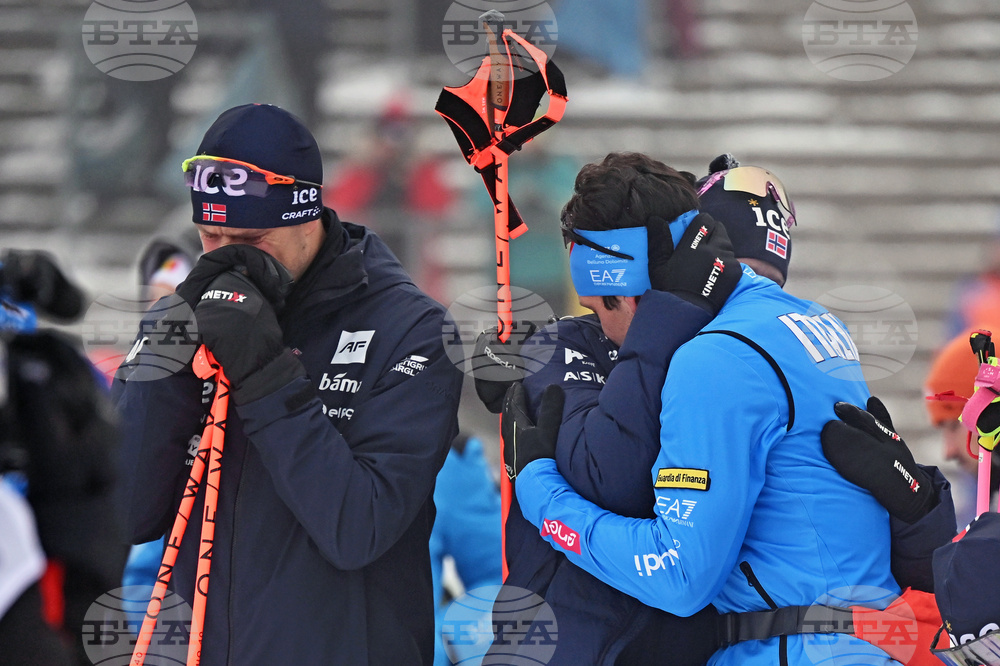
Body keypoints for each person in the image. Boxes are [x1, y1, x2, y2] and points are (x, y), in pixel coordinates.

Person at [475, 154, 956, 664]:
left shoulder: (713, 358)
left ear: (630, 290)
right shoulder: (814, 321)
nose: (607, 335)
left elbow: (679, 574)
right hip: (860, 642)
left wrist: (543, 495)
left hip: (790, 647)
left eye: (598, 308)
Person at [114, 104, 463, 664]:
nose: (229, 257)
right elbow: (126, 514)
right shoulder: (189, 317)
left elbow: (359, 528)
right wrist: (165, 359)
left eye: (251, 239)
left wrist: (266, 373)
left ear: (309, 215)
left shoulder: (412, 328)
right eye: (210, 237)